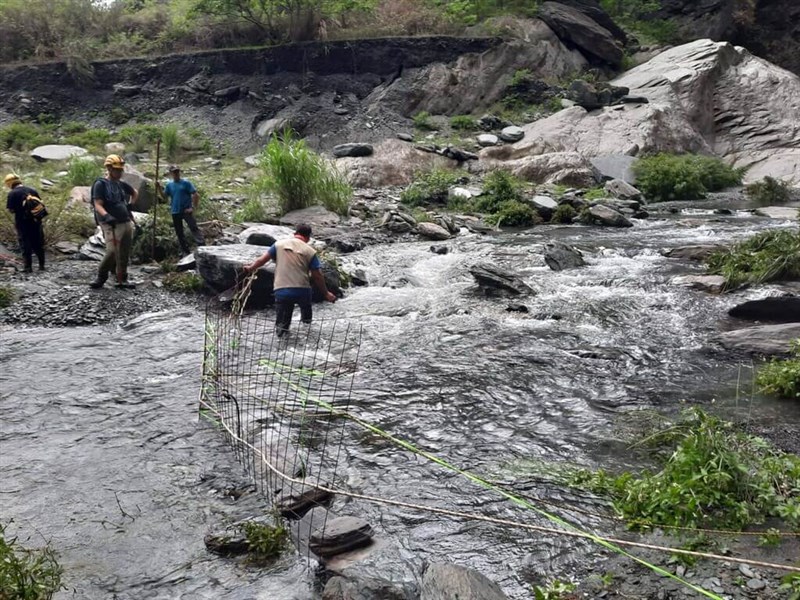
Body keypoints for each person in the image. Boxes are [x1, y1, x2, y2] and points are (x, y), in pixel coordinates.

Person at [244, 224, 337, 336]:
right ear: (308, 238)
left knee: (282, 325)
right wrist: (326, 293)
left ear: (294, 234)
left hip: (282, 290)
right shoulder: (310, 251)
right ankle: (307, 339)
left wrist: (250, 268)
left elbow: (262, 260)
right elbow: (317, 275)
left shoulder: (278, 244)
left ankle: (282, 339)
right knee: (307, 324)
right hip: (303, 291)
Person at [89, 154, 138, 289]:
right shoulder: (100, 184)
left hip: (125, 220)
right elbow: (97, 204)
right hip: (110, 223)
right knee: (112, 251)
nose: (120, 172)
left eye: (121, 170)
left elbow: (135, 192)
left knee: (124, 252)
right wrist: (107, 216)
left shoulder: (120, 184)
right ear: (109, 169)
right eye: (117, 170)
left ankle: (121, 279)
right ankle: (101, 277)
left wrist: (130, 205)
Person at [4, 174, 45, 273]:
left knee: (25, 244)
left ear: (9, 184)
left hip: (22, 222)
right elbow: (40, 204)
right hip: (36, 221)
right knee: (38, 242)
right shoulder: (32, 190)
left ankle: (28, 267)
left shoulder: (12, 194)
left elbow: (11, 210)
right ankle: (41, 265)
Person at [162, 165, 205, 255]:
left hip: (186, 210)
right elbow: (164, 197)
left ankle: (202, 247)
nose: (176, 174)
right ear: (171, 173)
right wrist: (158, 188)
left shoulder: (186, 183)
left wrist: (192, 207)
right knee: (179, 232)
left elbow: (195, 195)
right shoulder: (169, 185)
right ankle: (185, 251)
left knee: (193, 228)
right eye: (174, 172)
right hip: (175, 211)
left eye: (177, 171)